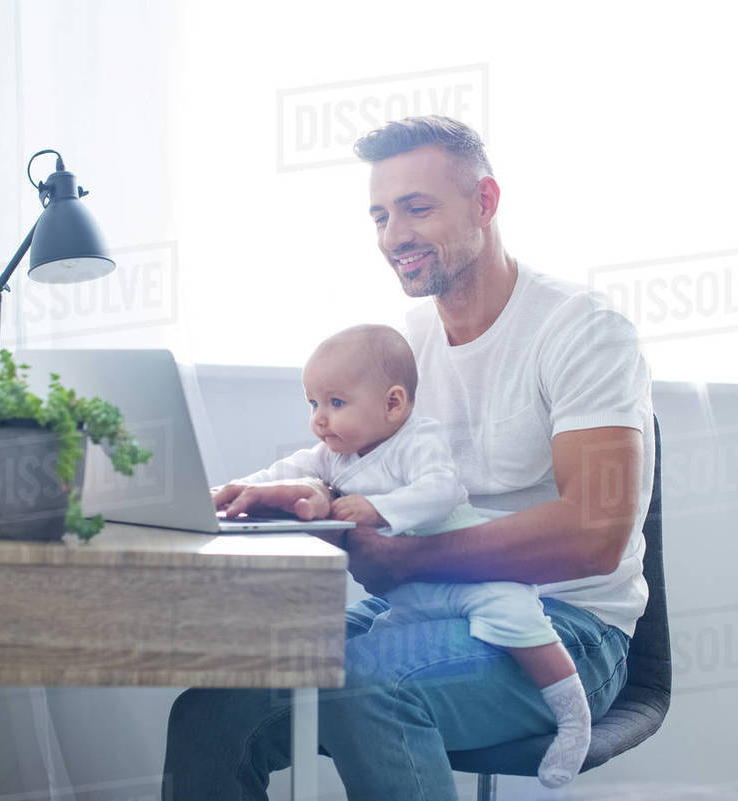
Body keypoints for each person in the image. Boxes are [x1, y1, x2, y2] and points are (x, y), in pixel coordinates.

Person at [163, 115, 654, 801]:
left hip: (565, 629)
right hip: (419, 608)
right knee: (213, 713)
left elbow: (597, 534)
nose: (394, 236)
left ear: (484, 203)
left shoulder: (582, 331)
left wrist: (411, 558)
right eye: (380, 215)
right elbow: (349, 465)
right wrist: (282, 490)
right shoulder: (408, 343)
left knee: (366, 690)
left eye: (417, 208)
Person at [214, 323, 594, 787]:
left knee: (521, 626)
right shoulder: (334, 454)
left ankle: (573, 716)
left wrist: (378, 509)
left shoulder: (418, 439)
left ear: (393, 403)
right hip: (412, 597)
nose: (320, 418)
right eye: (313, 403)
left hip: (475, 577)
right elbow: (281, 473)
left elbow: (442, 490)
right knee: (364, 643)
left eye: (336, 403)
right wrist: (231, 491)